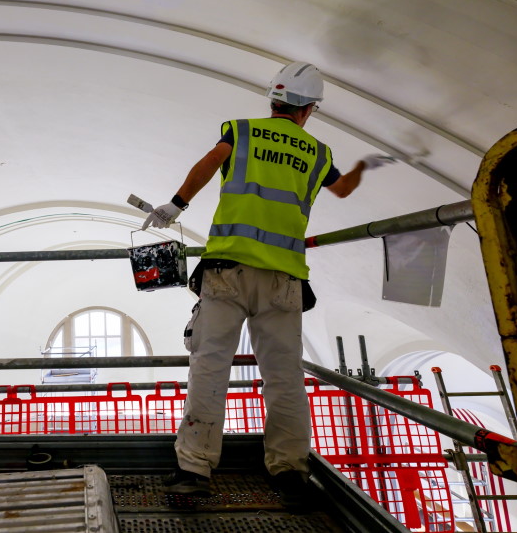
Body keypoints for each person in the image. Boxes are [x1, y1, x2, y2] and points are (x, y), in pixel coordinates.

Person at [141, 61, 394, 508]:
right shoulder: (318, 153)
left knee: (210, 366)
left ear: (274, 101)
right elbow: (343, 190)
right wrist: (363, 167)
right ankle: (290, 470)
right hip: (284, 279)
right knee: (284, 376)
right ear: (309, 110)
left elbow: (209, 163)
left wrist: (175, 205)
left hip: (228, 272)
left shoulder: (241, 131)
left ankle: (194, 469)